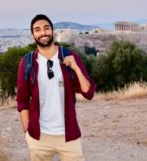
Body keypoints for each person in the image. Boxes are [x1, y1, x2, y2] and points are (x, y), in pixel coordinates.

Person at [16, 14, 96, 161]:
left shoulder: (70, 56)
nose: (43, 33)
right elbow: (22, 100)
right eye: (37, 30)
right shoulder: (27, 62)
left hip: (68, 135)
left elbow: (89, 93)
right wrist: (28, 132)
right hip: (39, 137)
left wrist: (76, 68)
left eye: (46, 28)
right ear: (32, 35)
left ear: (53, 31)